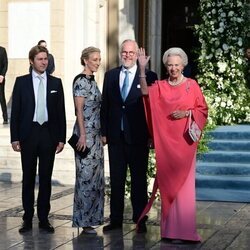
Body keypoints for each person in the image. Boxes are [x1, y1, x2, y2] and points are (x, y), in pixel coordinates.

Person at [137, 47, 208, 242]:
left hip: (185, 144)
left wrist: (187, 113)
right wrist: (142, 69)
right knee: (168, 184)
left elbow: (202, 109)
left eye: (177, 65)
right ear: (166, 67)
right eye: (170, 65)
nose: (173, 68)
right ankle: (169, 232)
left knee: (184, 188)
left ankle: (185, 231)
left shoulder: (192, 85)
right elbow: (144, 92)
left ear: (183, 66)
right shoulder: (160, 86)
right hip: (166, 144)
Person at [100, 39, 158, 233]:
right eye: (124, 52)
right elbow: (105, 106)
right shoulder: (110, 75)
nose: (127, 55)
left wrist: (152, 135)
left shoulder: (150, 76)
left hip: (138, 137)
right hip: (116, 137)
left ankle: (139, 219)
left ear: (137, 55)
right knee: (116, 180)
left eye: (131, 53)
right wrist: (104, 132)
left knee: (139, 180)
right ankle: (115, 220)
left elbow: (152, 108)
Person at [10, 45, 66, 234]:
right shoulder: (21, 82)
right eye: (40, 59)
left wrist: (61, 138)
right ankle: (27, 218)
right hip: (28, 134)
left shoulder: (56, 83)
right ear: (32, 61)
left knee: (45, 178)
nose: (44, 62)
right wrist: (14, 137)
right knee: (28, 178)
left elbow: (60, 113)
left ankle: (43, 218)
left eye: (46, 59)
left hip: (48, 135)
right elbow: (16, 112)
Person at [71, 47, 104, 234]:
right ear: (85, 60)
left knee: (95, 180)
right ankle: (83, 220)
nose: (98, 62)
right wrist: (83, 135)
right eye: (94, 59)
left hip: (96, 136)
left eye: (99, 59)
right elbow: (79, 111)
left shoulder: (93, 80)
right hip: (85, 137)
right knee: (85, 180)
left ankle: (92, 219)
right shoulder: (81, 81)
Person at [0, 46, 8, 124]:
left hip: (0, 78)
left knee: (1, 98)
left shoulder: (2, 50)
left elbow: (5, 64)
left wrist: (2, 75)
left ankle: (5, 118)